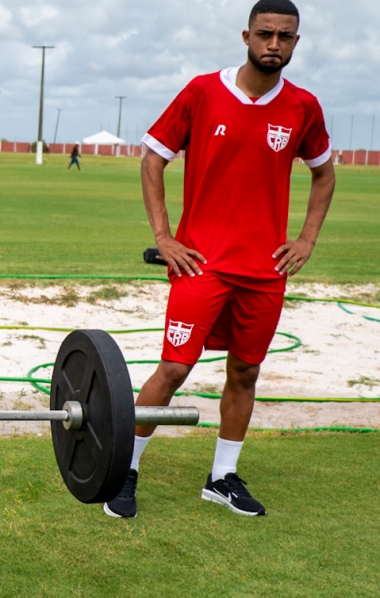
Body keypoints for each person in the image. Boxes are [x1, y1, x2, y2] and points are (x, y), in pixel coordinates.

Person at [104, 0, 335, 520]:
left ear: (296, 42)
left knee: (246, 371)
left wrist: (306, 240)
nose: (274, 44)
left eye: (285, 37)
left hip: (265, 271)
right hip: (201, 264)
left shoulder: (303, 107)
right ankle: (126, 468)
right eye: (265, 34)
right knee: (174, 368)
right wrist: (164, 236)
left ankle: (221, 478)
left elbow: (325, 174)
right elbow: (152, 158)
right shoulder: (203, 91)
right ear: (246, 36)